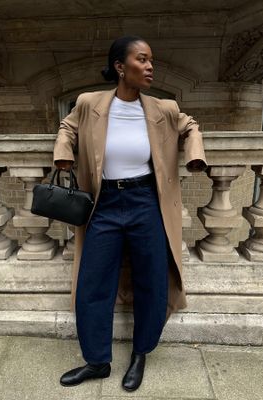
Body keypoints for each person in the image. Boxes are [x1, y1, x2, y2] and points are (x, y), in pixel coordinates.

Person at [53, 35, 207, 391]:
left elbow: (190, 125)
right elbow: (67, 127)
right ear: (121, 67)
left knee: (151, 281)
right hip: (103, 204)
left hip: (145, 203)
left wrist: (195, 153)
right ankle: (96, 361)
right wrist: (64, 151)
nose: (150, 66)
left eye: (151, 59)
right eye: (142, 59)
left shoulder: (162, 108)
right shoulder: (89, 103)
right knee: (92, 283)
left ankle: (140, 355)